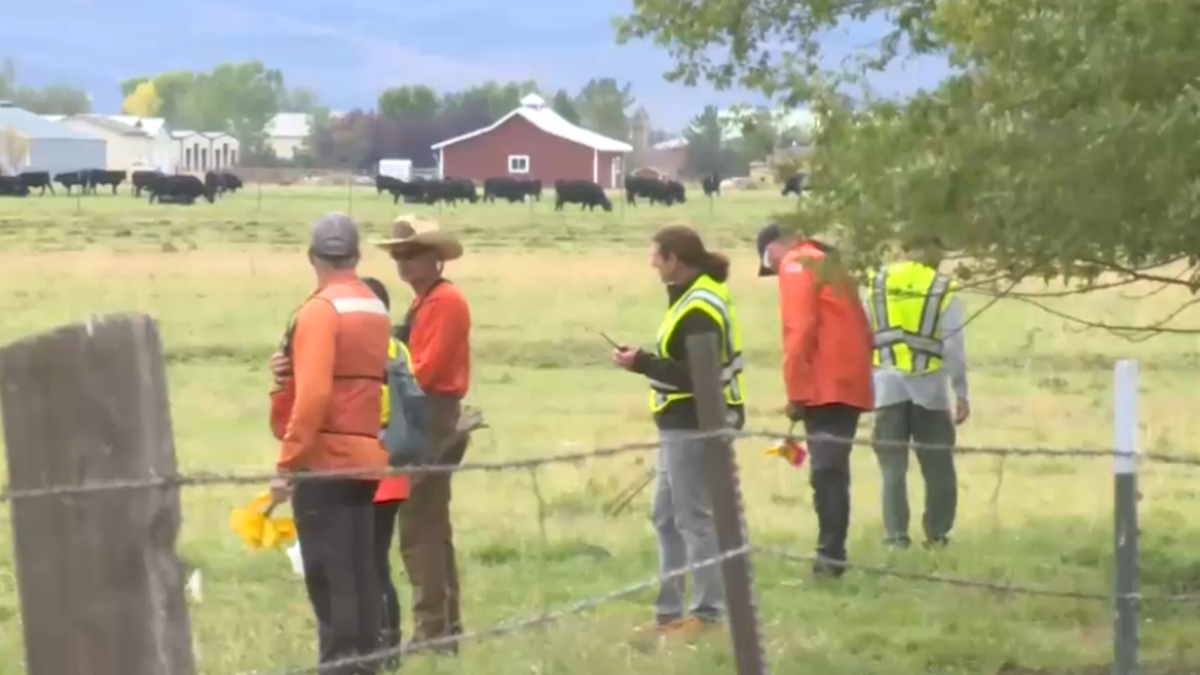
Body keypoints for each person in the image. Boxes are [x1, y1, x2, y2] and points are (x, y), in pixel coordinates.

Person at [267, 213, 391, 675]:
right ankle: (367, 663)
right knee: (360, 572)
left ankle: (342, 668)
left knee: (329, 573)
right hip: (365, 457)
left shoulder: (320, 310)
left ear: (312, 256)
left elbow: (317, 393)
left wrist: (288, 463)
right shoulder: (373, 307)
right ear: (357, 256)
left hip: (326, 460)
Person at [611, 224, 746, 636]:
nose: (652, 263)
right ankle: (669, 614)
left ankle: (707, 614)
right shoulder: (691, 297)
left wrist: (641, 363)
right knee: (667, 518)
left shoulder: (698, 307)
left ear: (675, 260)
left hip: (696, 422)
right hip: (680, 423)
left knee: (695, 520)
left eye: (657, 255)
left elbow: (696, 377)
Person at [372, 215, 472, 655]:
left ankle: (433, 633)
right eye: (398, 255)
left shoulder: (443, 303)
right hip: (426, 413)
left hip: (429, 414)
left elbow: (424, 370)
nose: (402, 262)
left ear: (437, 259)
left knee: (418, 530)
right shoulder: (426, 301)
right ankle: (444, 628)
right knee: (432, 525)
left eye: (411, 254)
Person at [756, 223, 873, 578]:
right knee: (833, 471)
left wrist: (795, 391)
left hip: (825, 383)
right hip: (850, 380)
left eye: (768, 264)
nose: (773, 271)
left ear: (772, 249)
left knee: (826, 473)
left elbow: (799, 329)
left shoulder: (796, 264)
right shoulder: (828, 262)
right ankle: (832, 555)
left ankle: (830, 558)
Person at [864, 235, 969, 550]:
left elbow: (864, 333)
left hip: (886, 386)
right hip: (930, 388)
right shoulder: (942, 287)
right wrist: (961, 392)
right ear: (932, 248)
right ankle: (937, 535)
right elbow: (953, 346)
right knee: (938, 466)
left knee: (891, 468)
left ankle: (895, 537)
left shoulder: (877, 282)